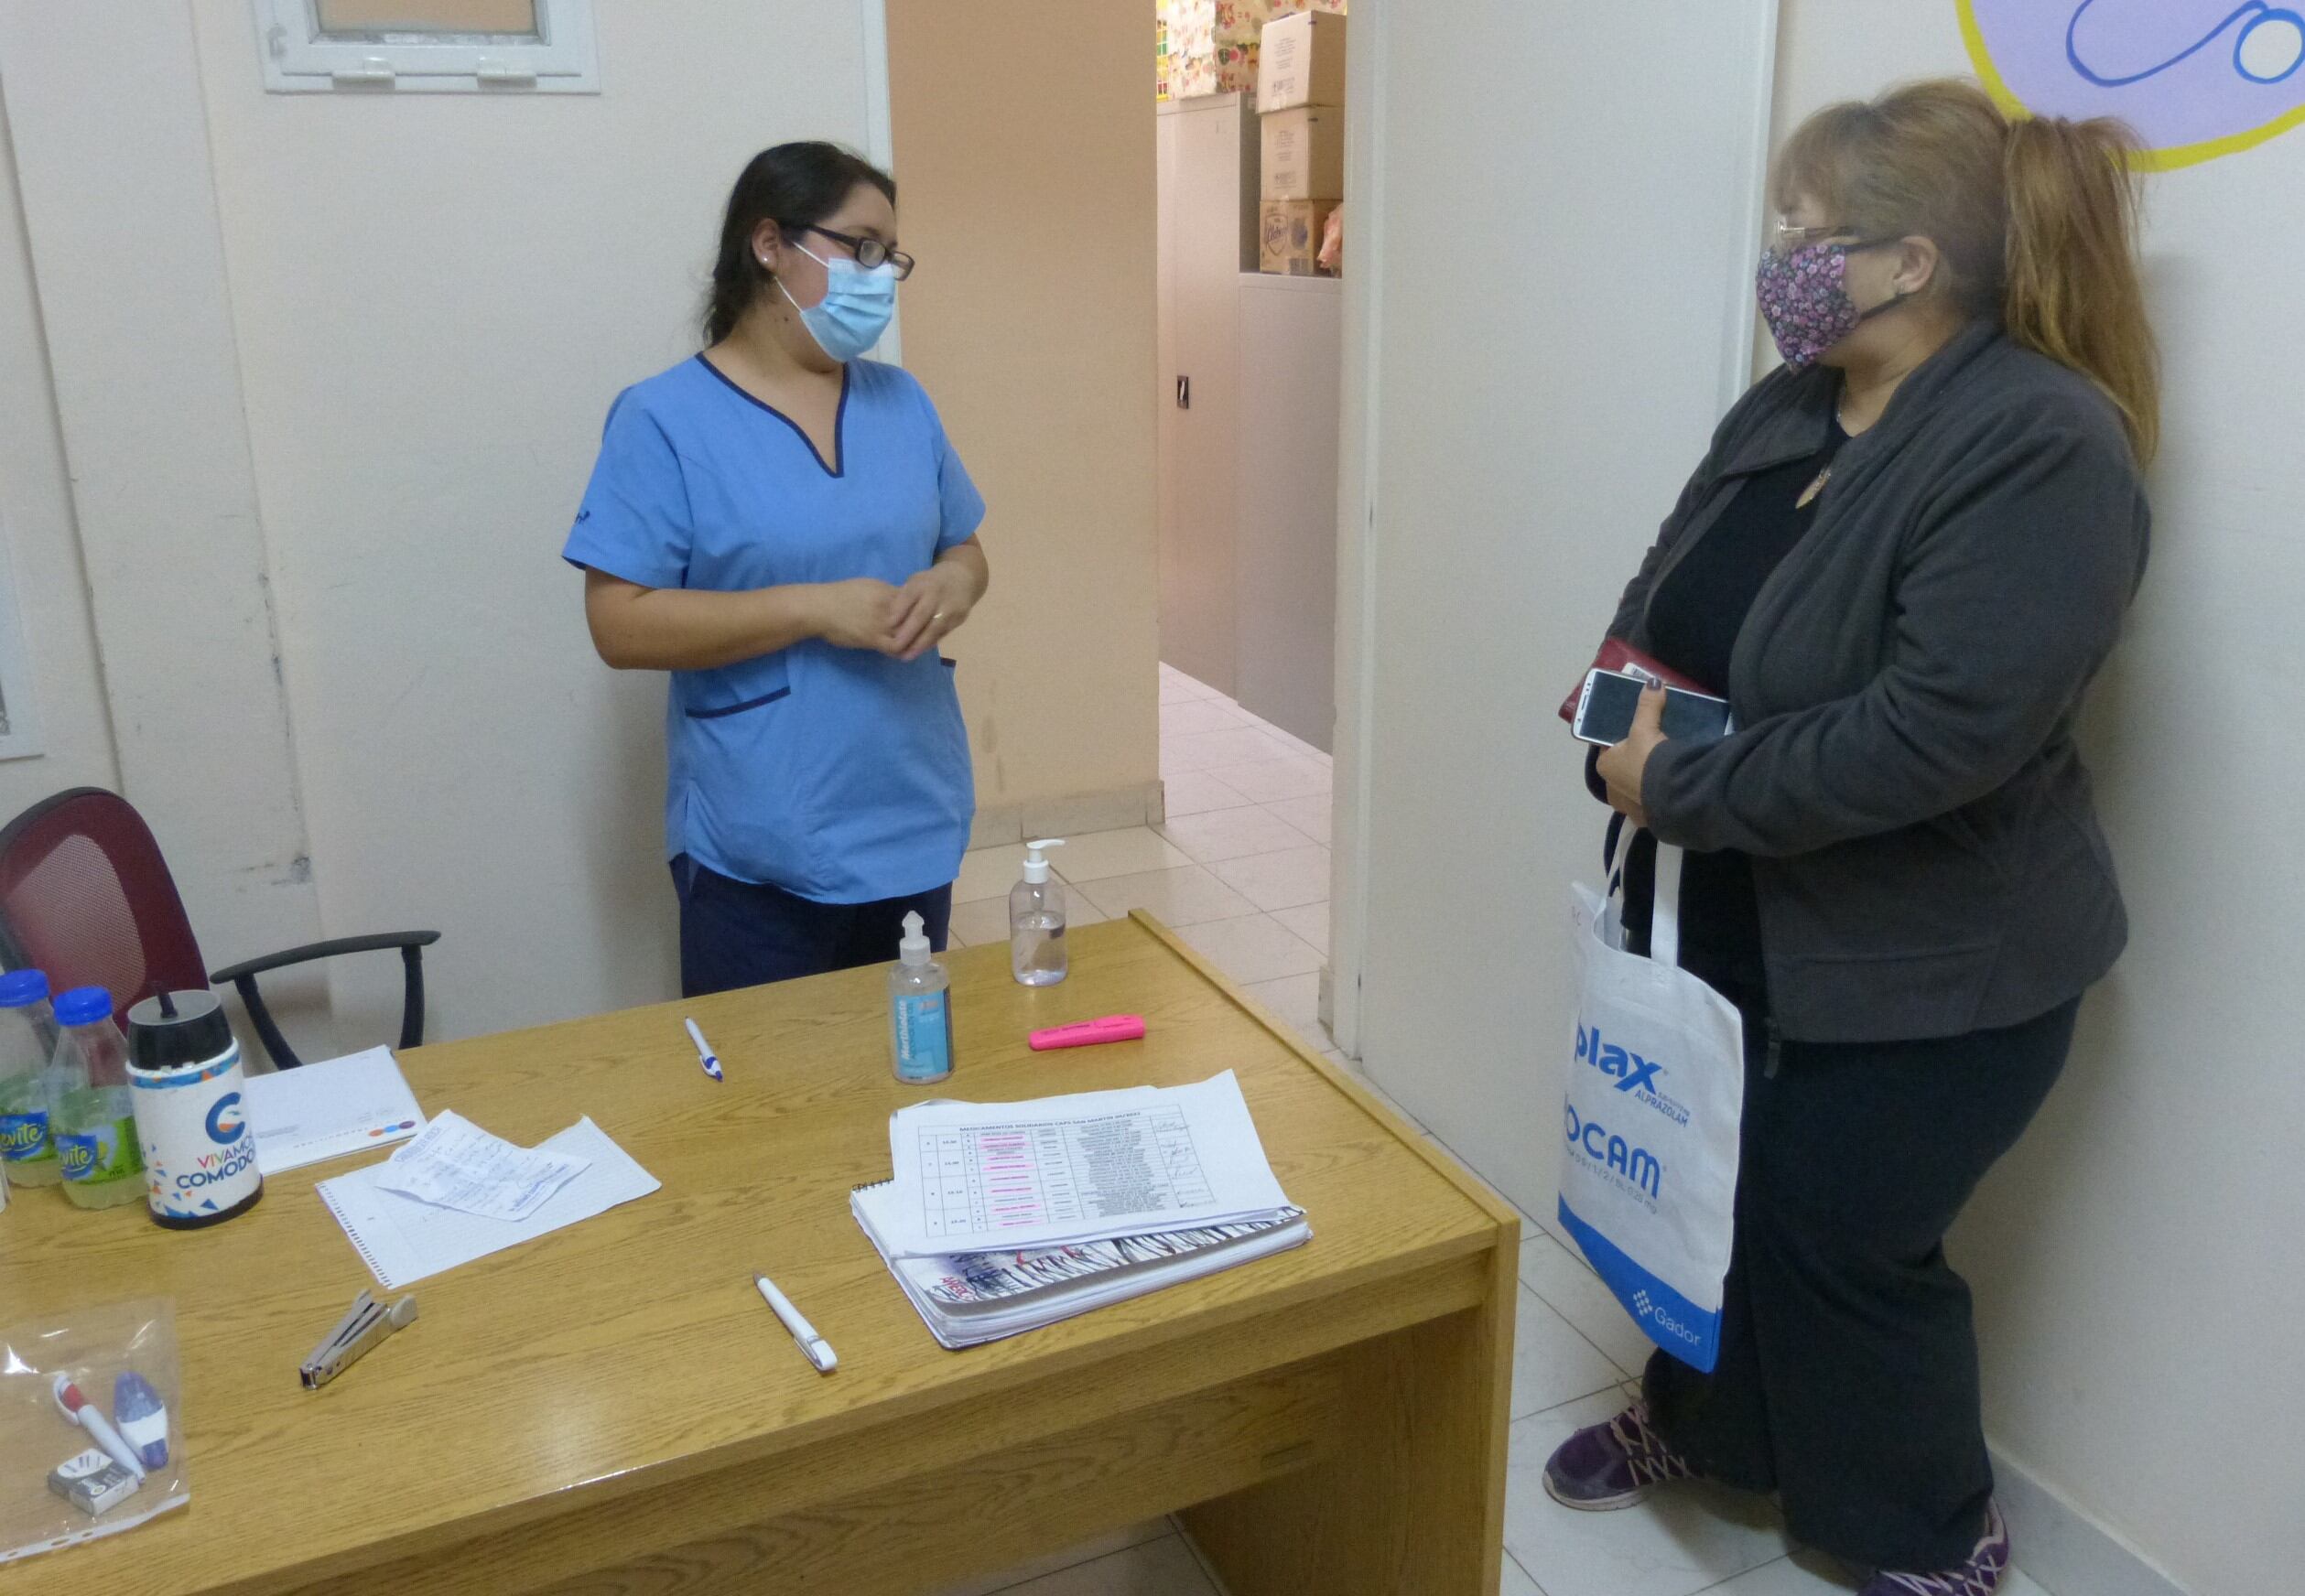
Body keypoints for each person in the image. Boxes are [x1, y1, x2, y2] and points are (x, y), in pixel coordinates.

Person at [1546, 81, 2158, 1595]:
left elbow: (1938, 733)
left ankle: (1933, 1527)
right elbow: (1669, 583)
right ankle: (1713, 1427)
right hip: (1739, 910)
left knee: (1841, 1237)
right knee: (1720, 1195)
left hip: (1930, 958)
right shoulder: (1789, 403)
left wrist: (1674, 787)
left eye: (1805, 233)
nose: (1779, 259)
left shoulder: (2036, 440)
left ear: (1910, 262)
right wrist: (1613, 704)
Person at [566, 142, 989, 998]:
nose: (879, 274)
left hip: (909, 808)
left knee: (904, 1075)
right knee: (767, 1110)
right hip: (761, 841)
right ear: (770, 245)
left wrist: (954, 584)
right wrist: (812, 609)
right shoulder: (663, 420)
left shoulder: (901, 402)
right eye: (859, 246)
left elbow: (965, 547)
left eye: (889, 256)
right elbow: (619, 625)